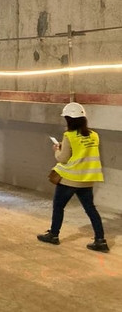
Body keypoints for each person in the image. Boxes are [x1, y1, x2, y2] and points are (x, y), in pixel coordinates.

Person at [37, 102, 109, 252]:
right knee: (90, 209)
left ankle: (54, 235)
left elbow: (63, 158)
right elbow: (82, 150)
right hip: (87, 180)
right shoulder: (94, 135)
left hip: (70, 179)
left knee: (58, 207)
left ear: (68, 119)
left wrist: (57, 149)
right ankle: (100, 240)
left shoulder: (68, 135)